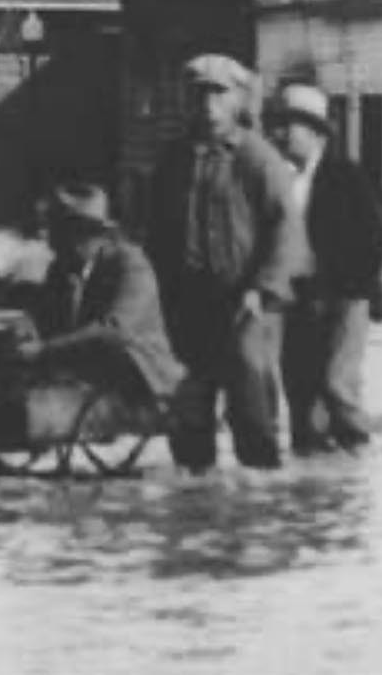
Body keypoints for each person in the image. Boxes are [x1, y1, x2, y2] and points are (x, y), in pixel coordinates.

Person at [0, 181, 186, 447]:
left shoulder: (130, 265)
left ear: (85, 235)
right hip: (86, 376)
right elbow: (48, 319)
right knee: (7, 372)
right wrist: (23, 333)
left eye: (58, 235)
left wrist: (42, 350)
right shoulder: (63, 268)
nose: (51, 244)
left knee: (38, 410)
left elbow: (114, 331)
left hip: (139, 388)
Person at [147, 54, 306, 472]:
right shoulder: (175, 159)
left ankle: (260, 494)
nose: (208, 106)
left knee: (251, 401)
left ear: (239, 100)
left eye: (219, 94)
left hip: (244, 304)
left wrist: (263, 288)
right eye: (199, 95)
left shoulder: (258, 159)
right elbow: (154, 227)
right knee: (190, 406)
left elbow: (285, 229)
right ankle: (197, 500)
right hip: (187, 302)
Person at [267, 83, 382, 454]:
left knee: (338, 383)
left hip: (345, 295)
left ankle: (358, 463)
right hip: (296, 296)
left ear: (318, 134)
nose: (282, 134)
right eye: (280, 125)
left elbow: (378, 236)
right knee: (300, 390)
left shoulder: (347, 178)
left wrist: (352, 286)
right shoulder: (278, 179)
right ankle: (315, 481)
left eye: (293, 126)